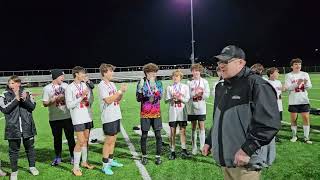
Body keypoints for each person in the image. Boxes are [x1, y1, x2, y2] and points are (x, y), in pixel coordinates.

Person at [203, 45, 281, 180]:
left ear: (241, 62)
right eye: (220, 61)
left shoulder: (256, 84)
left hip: (246, 162)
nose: (221, 65)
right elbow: (217, 119)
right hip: (227, 159)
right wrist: (209, 141)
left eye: (226, 61)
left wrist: (247, 149)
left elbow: (269, 124)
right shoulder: (222, 86)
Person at [0, 75, 39, 180]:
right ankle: (14, 171)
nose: (11, 85)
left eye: (14, 83)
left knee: (30, 148)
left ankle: (32, 167)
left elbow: (32, 107)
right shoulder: (3, 95)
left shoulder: (27, 93)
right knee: (13, 151)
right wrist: (16, 99)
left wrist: (24, 99)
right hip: (13, 128)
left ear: (19, 84)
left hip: (27, 126)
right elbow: (5, 110)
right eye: (10, 83)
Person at [98, 63, 128, 175]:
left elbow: (118, 99)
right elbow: (108, 100)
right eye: (110, 71)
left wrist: (121, 93)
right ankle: (104, 165)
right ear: (105, 72)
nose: (112, 73)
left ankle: (110, 161)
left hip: (116, 114)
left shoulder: (112, 84)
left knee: (114, 140)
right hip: (108, 117)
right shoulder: (101, 85)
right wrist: (119, 92)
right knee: (108, 141)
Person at [43, 69, 76, 166]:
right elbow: (45, 103)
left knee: (70, 138)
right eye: (61, 76)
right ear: (56, 76)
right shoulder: (47, 88)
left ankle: (73, 157)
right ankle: (58, 157)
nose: (63, 78)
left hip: (67, 117)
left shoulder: (66, 86)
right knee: (57, 139)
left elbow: (73, 99)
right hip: (54, 118)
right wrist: (54, 100)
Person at [66, 66, 95, 176]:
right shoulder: (70, 88)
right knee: (80, 141)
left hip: (87, 116)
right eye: (83, 73)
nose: (84, 75)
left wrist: (88, 97)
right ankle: (75, 167)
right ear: (76, 74)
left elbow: (90, 99)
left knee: (86, 140)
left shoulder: (84, 85)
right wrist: (81, 97)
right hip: (78, 117)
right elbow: (69, 105)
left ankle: (84, 162)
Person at [136, 63, 163, 165]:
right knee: (144, 136)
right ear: (146, 73)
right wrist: (140, 91)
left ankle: (158, 156)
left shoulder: (159, 83)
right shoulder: (141, 82)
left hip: (156, 113)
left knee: (158, 136)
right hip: (145, 113)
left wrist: (156, 91)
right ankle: (144, 156)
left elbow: (160, 97)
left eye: (154, 72)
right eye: (150, 72)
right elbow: (138, 99)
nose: (153, 74)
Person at [165, 69, 191, 160]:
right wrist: (172, 98)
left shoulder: (185, 87)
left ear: (180, 77)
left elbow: (187, 99)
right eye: (174, 76)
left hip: (182, 112)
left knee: (182, 131)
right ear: (172, 77)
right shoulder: (169, 87)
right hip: (173, 112)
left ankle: (184, 149)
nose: (175, 78)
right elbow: (165, 100)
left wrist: (180, 97)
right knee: (172, 132)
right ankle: (172, 151)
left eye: (177, 76)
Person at [284, 58, 312, 144]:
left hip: (303, 100)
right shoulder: (288, 75)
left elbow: (309, 86)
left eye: (299, 64)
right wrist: (298, 83)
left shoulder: (305, 74)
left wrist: (306, 84)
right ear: (292, 66)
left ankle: (306, 137)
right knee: (293, 119)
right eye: (296, 64)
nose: (298, 66)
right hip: (293, 101)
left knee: (306, 119)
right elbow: (288, 88)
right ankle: (294, 136)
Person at [186, 63, 210, 155]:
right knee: (193, 127)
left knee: (202, 127)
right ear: (192, 72)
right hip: (192, 107)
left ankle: (202, 147)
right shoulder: (189, 82)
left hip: (201, 107)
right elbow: (187, 95)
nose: (195, 72)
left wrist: (201, 94)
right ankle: (194, 147)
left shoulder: (204, 82)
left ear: (200, 71)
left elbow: (207, 95)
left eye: (197, 70)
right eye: (193, 71)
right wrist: (194, 94)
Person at [267, 67, 284, 143]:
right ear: (271, 74)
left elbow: (280, 94)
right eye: (276, 72)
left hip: (279, 105)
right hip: (271, 106)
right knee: (270, 122)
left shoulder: (278, 82)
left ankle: (275, 136)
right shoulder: (266, 82)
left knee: (278, 121)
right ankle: (270, 136)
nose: (278, 74)